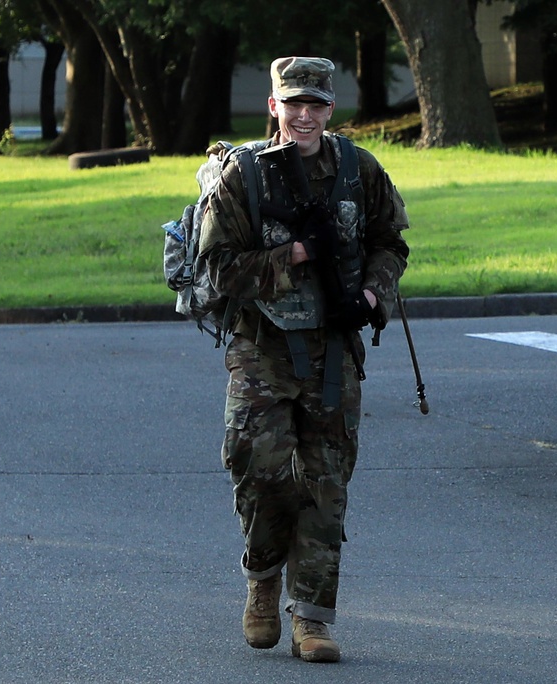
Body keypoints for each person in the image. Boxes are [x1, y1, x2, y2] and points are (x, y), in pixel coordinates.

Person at [198, 56, 410, 663]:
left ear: (330, 108)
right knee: (260, 474)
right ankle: (263, 580)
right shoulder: (245, 177)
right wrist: (292, 254)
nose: (305, 115)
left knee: (325, 485)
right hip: (261, 350)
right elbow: (217, 272)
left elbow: (391, 242)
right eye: (293, 103)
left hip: (332, 354)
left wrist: (370, 295)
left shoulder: (358, 170)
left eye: (316, 104)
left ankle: (312, 620)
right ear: (274, 107)